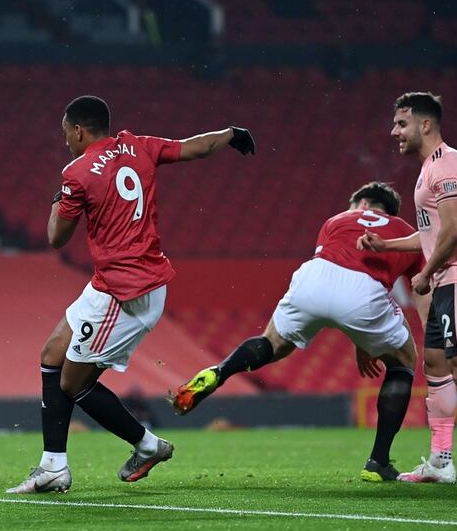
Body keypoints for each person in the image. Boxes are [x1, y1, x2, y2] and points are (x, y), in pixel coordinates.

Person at [6, 95, 257, 494]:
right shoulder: (136, 144)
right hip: (117, 281)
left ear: (78, 130)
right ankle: (53, 465)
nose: (65, 141)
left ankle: (147, 445)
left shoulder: (78, 173)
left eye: (65, 134)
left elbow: (56, 237)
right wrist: (230, 134)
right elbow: (195, 146)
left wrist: (60, 197)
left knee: (72, 384)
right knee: (52, 354)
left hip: (126, 292)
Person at [170, 182, 426, 482]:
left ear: (363, 203)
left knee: (273, 342)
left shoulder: (335, 221)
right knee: (404, 360)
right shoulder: (407, 232)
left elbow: (335, 283)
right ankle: (378, 462)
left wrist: (362, 339)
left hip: (314, 276)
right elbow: (409, 285)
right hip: (364, 293)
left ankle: (219, 371)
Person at [359, 92, 457, 487]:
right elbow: (432, 235)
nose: (395, 132)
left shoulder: (444, 168)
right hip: (449, 278)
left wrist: (426, 274)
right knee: (437, 367)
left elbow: (455, 231)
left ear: (426, 124)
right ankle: (441, 462)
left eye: (401, 123)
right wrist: (386, 245)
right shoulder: (430, 168)